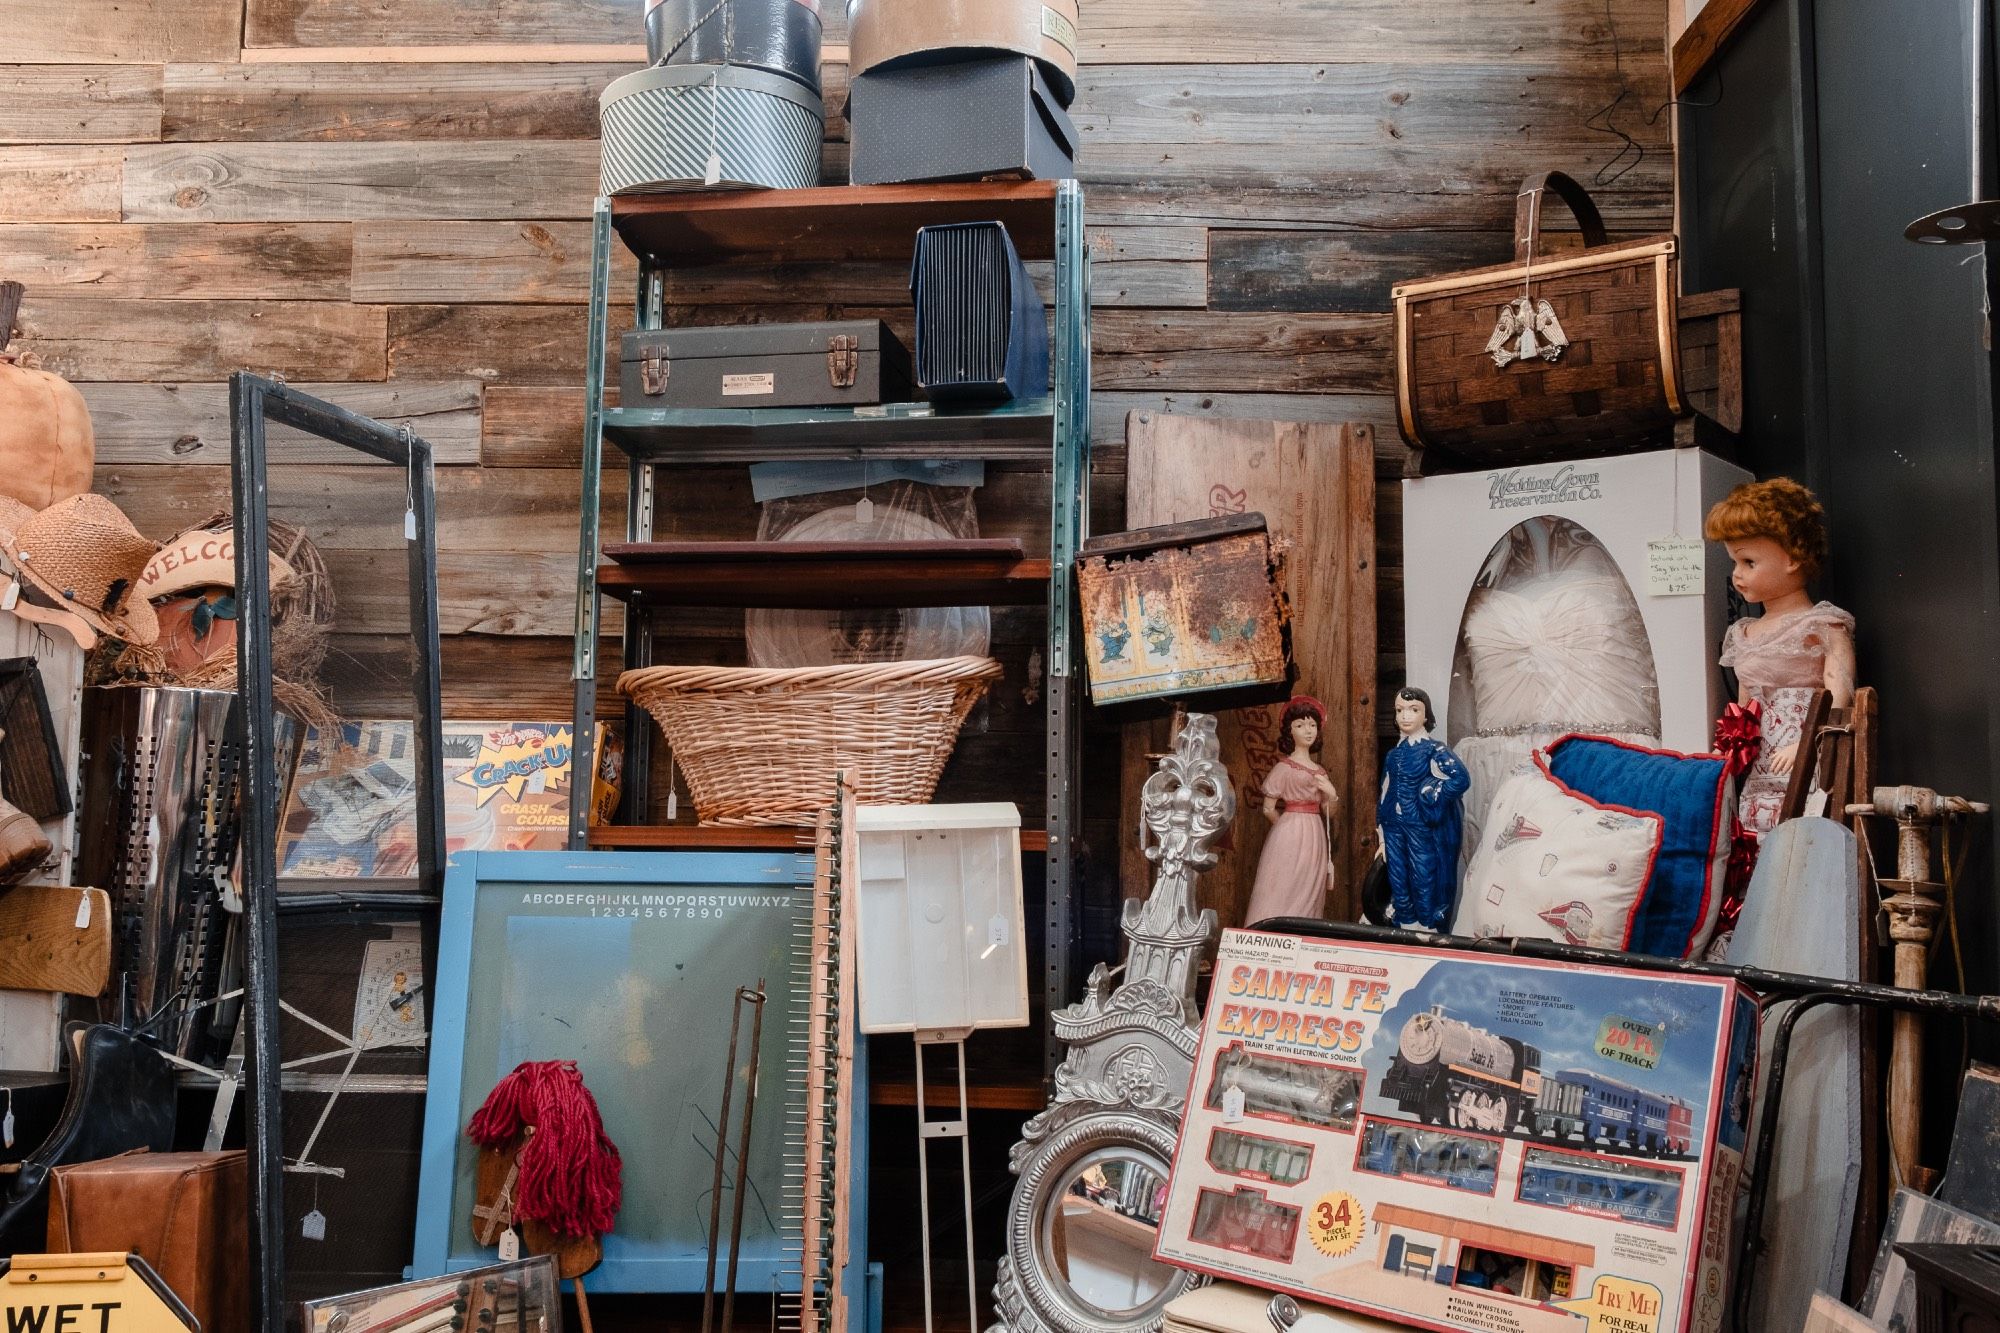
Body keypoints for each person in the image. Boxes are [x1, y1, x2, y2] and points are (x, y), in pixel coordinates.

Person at [1703, 478, 1856, 956]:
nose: (1738, 574)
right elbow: (1746, 705)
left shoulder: (1822, 624)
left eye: (1749, 561)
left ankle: (1789, 940)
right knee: (1746, 841)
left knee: (1793, 840)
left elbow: (1840, 690)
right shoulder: (1745, 632)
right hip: (1757, 756)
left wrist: (1810, 741)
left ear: (1791, 558)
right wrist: (1728, 750)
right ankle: (1746, 939)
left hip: (1803, 752)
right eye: (1735, 562)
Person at [1376, 688, 1470, 929]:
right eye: (1400, 710)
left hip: (1419, 826)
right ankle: (1405, 921)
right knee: (1398, 875)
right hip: (1393, 825)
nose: (1405, 716)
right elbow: (1386, 789)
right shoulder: (1394, 754)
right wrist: (1382, 836)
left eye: (1413, 710)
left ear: (1425, 715)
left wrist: (1433, 793)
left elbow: (1460, 779)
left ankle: (1427, 923)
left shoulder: (1433, 750)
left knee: (1423, 875)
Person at [1243, 696, 1339, 924]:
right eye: (1300, 725)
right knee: (1283, 884)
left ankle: (1302, 934)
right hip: (1290, 832)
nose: (1308, 731)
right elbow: (1268, 808)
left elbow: (1329, 812)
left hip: (1314, 833)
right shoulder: (1284, 768)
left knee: (1309, 886)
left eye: (1312, 725)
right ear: (1290, 731)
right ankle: (1269, 930)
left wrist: (1332, 793)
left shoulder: (1320, 771)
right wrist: (1287, 830)